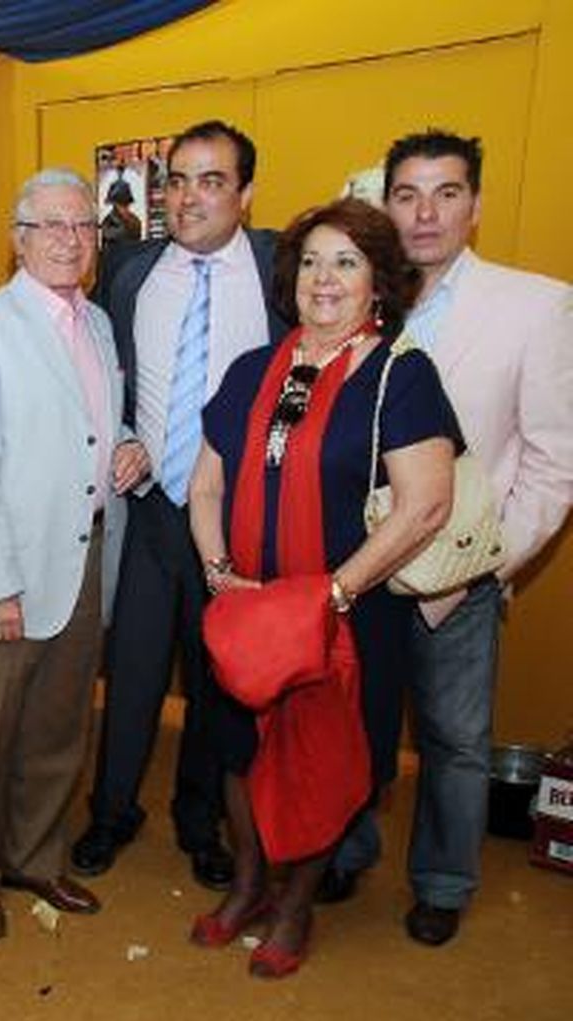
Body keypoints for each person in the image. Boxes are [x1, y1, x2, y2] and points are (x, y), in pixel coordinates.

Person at [189, 197, 460, 978]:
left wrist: (329, 596)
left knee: (322, 760)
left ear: (379, 282)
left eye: (346, 261)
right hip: (246, 610)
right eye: (310, 261)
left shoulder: (399, 376)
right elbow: (205, 487)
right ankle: (247, 887)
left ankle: (298, 903)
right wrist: (218, 575)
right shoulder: (252, 371)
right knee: (239, 752)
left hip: (345, 616)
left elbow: (425, 505)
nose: (324, 278)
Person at [329, 130, 573, 945]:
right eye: (406, 194)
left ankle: (442, 880)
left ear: (476, 205)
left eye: (446, 192)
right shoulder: (356, 297)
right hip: (357, 566)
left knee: (455, 739)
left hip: (457, 573)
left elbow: (553, 458)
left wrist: (489, 565)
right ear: (383, 203)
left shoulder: (536, 304)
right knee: (353, 715)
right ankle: (347, 849)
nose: (425, 212)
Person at [76, 120, 289, 889]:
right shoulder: (130, 271)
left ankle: (202, 823)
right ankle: (111, 811)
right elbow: (107, 375)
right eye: (178, 179)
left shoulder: (281, 275)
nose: (190, 196)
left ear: (246, 192)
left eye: (212, 180)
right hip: (153, 508)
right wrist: (126, 432)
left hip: (237, 515)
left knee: (216, 677)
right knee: (129, 667)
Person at [0, 169, 139, 940]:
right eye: (50, 225)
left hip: (86, 553)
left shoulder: (97, 324)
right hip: (4, 571)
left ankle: (36, 854)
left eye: (82, 226)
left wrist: (128, 445)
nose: (68, 239)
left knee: (58, 726)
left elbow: (93, 422)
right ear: (17, 239)